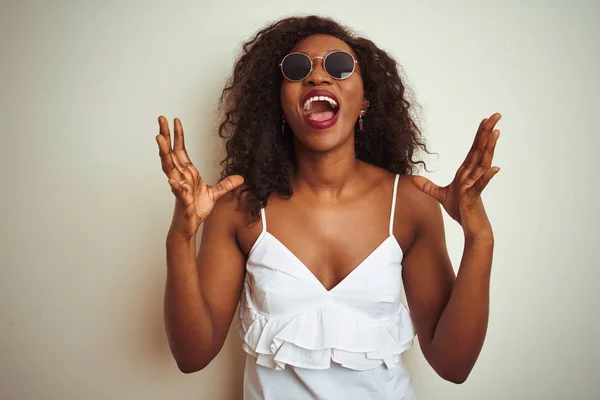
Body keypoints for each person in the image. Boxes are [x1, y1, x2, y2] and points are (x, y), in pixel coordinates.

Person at [156, 15, 501, 400]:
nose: (318, 77)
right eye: (297, 68)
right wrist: (181, 236)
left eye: (339, 66)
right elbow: (192, 356)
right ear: (279, 105)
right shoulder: (240, 209)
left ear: (365, 98)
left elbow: (453, 366)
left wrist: (479, 238)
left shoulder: (409, 204)